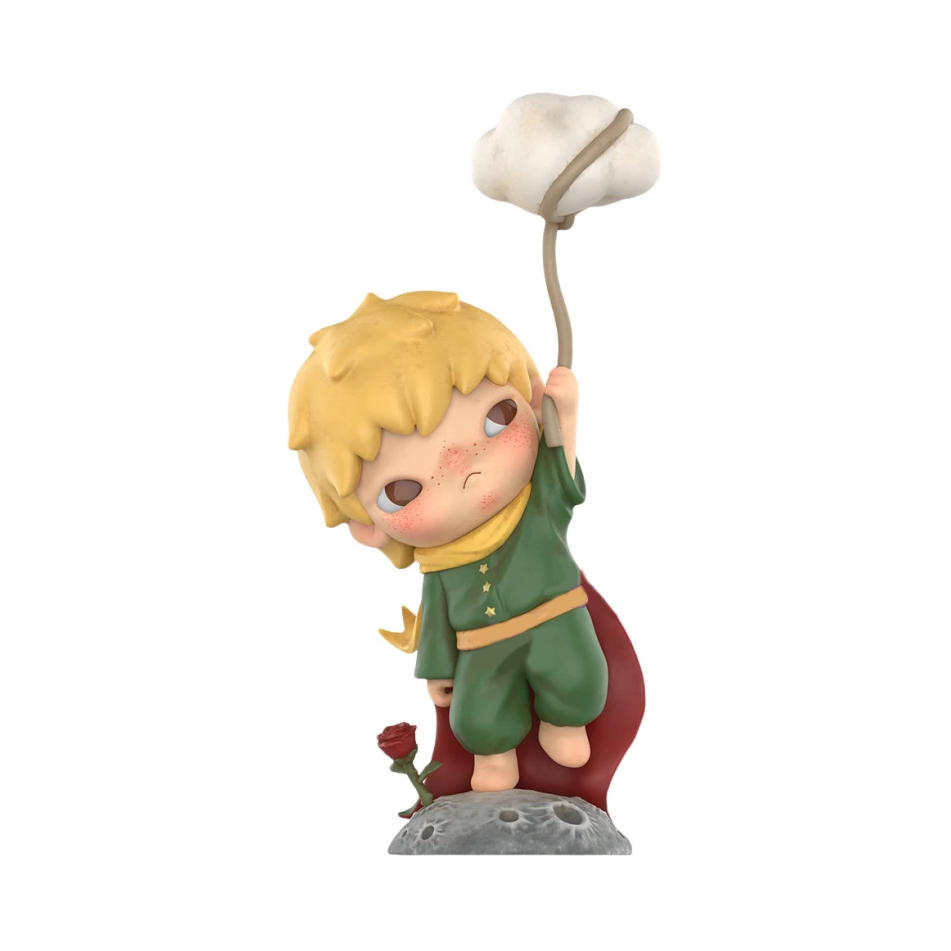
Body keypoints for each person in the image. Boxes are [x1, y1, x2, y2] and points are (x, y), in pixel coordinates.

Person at [288, 290, 608, 792]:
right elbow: (436, 614)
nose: (461, 464)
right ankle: (494, 754)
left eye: (497, 418)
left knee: (578, 677)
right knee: (477, 716)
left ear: (531, 400)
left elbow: (560, 466)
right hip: (481, 647)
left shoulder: (536, 507)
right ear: (368, 526)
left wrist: (565, 416)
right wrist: (437, 671)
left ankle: (565, 722)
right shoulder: (440, 562)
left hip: (555, 618)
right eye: (404, 489)